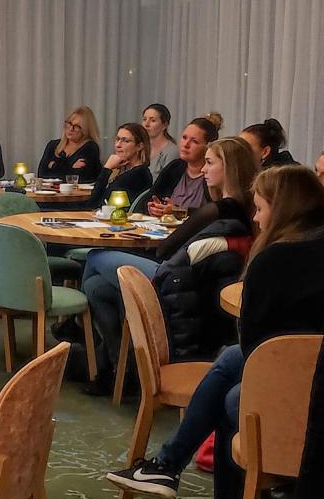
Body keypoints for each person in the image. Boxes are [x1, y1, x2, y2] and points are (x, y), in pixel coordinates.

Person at [106, 165, 324, 499]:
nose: (255, 218)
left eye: (260, 209)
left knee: (232, 395)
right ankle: (173, 472)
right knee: (231, 359)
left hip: (297, 408)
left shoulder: (274, 262)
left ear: (282, 210)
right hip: (307, 379)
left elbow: (257, 345)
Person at [81, 136, 257, 392]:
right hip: (185, 279)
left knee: (95, 256)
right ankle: (122, 366)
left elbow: (165, 249)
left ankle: (91, 341)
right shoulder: (245, 209)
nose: (203, 170)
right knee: (97, 288)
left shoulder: (220, 208)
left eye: (209, 163)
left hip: (177, 280)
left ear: (230, 168)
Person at [148, 113, 223, 217]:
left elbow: (217, 213)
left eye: (194, 141)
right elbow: (150, 198)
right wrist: (154, 207)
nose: (186, 144)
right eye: (184, 138)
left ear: (208, 146)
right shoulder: (175, 167)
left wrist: (179, 211)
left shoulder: (214, 174)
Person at [86, 123, 152, 209]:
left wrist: (107, 169)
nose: (118, 145)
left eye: (126, 141)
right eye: (117, 139)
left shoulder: (138, 174)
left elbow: (94, 203)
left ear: (139, 146)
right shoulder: (123, 170)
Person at [37, 105, 102, 182]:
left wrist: (53, 166)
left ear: (85, 130)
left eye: (77, 126)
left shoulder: (90, 147)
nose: (71, 129)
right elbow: (41, 174)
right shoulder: (53, 145)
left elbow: (80, 177)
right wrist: (71, 167)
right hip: (49, 189)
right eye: (69, 123)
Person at [142, 103, 180, 175]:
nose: (146, 124)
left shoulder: (171, 152)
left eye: (153, 120)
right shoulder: (140, 148)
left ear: (165, 125)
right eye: (144, 119)